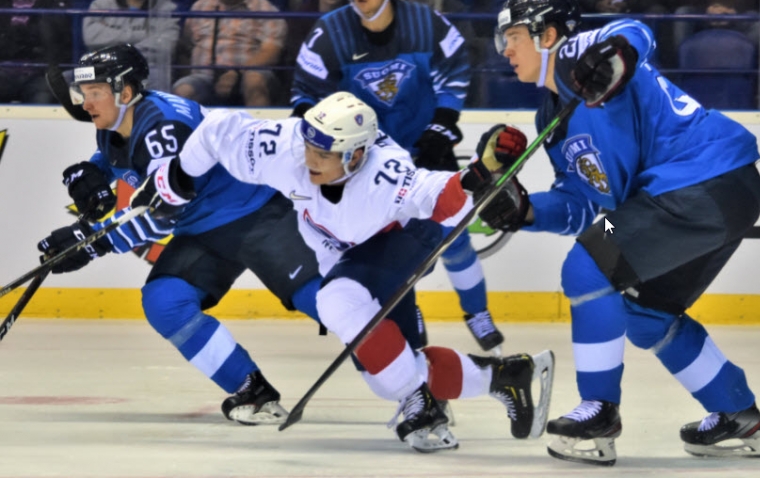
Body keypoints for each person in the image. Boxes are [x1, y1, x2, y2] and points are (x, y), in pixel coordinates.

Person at [130, 90, 555, 452]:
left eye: (323, 153)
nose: (309, 158)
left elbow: (438, 196)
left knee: (336, 302)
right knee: (388, 371)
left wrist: (481, 176)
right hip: (352, 255)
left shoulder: (384, 175)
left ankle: (419, 402)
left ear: (355, 154)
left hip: (406, 237)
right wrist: (176, 178)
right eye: (309, 146)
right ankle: (505, 376)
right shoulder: (286, 146)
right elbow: (216, 131)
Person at [484, 0, 760, 465]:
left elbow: (633, 30)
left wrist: (614, 54)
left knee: (587, 266)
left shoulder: (578, 56)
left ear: (549, 35)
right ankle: (736, 413)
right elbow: (580, 202)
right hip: (715, 194)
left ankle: (598, 410)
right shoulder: (551, 118)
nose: (505, 50)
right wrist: (526, 212)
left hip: (696, 183)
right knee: (646, 313)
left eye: (513, 37)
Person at [36, 43, 323, 426]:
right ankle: (251, 391)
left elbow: (161, 214)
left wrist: (92, 242)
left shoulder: (165, 126)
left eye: (94, 94)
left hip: (255, 215)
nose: (86, 104)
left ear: (124, 92)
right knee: (164, 301)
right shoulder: (118, 119)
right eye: (84, 94)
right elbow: (117, 155)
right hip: (203, 231)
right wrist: (93, 173)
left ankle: (410, 372)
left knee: (323, 300)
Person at [291, 0, 504, 353]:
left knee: (454, 235)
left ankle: (477, 313)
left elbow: (455, 68)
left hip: (425, 151)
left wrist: (443, 125)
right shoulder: (330, 33)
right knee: (383, 244)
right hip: (364, 165)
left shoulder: (427, 24)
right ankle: (408, 307)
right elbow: (305, 94)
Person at [172, 0, 286, 107]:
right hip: (204, 78)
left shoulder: (266, 9)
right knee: (182, 90)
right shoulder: (199, 7)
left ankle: (260, 130)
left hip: (248, 76)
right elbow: (186, 49)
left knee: (254, 80)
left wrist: (237, 72)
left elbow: (271, 52)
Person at [83, 0, 180, 87]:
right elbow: (91, 38)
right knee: (66, 79)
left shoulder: (167, 9)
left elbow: (166, 47)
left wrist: (114, 44)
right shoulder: (101, 4)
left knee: (158, 78)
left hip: (147, 69)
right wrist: (144, 35)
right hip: (105, 67)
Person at [0, 0, 71, 104]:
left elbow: (52, 41)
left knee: (44, 99)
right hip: (4, 71)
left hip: (41, 73)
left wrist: (14, 36)